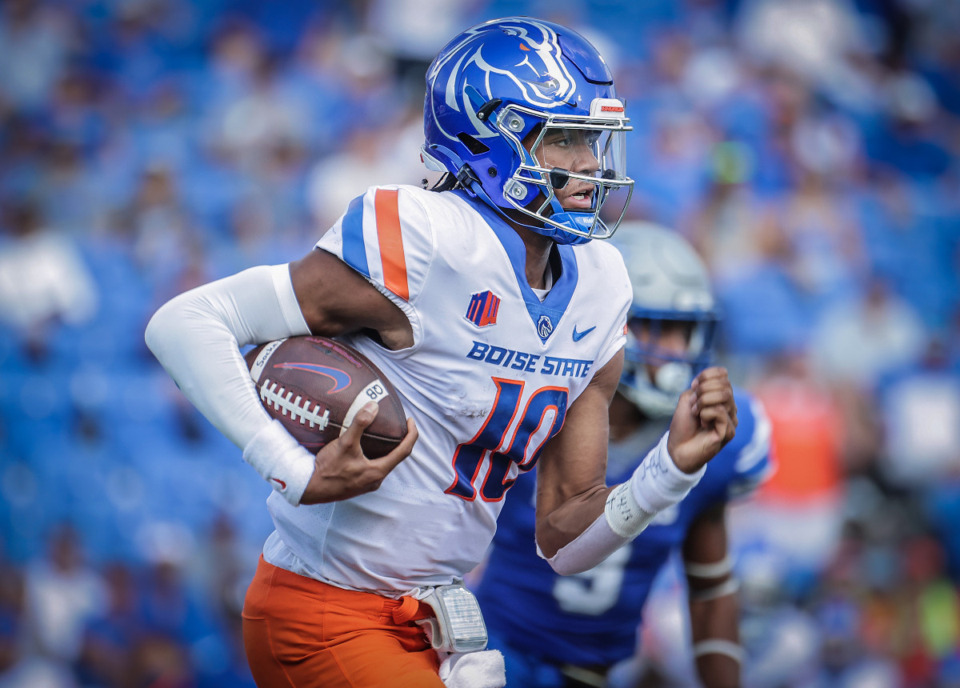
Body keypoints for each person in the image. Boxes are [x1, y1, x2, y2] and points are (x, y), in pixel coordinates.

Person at [144, 17, 737, 688]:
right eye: (563, 139)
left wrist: (671, 470)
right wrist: (288, 466)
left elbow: (565, 542)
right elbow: (187, 321)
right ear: (490, 140)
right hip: (323, 608)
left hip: (433, 623)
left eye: (593, 140)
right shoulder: (426, 239)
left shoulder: (603, 284)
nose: (590, 164)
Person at [473, 223, 772, 688]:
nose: (675, 352)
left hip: (597, 675)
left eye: (685, 334)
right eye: (660, 331)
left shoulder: (707, 440)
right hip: (495, 658)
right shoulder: (542, 407)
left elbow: (711, 589)